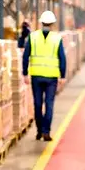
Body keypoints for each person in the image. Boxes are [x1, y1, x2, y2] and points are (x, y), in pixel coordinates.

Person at [23, 10, 67, 141]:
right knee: (49, 104)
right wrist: (63, 76)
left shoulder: (33, 37)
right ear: (52, 24)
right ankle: (46, 131)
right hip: (51, 78)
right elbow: (62, 58)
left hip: (36, 76)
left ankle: (39, 130)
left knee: (37, 104)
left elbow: (26, 56)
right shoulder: (57, 38)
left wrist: (25, 73)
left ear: (41, 23)